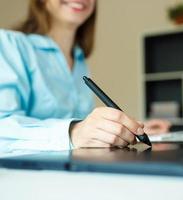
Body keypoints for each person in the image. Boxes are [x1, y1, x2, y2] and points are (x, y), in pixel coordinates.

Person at [0, 0, 171, 151]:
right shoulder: (9, 44)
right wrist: (73, 132)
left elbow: (85, 128)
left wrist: (128, 129)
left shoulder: (79, 60)